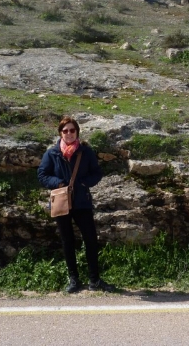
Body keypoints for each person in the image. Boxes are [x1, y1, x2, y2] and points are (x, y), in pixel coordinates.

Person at [37, 116, 115, 293]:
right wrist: (57, 183)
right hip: (62, 202)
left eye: (72, 130)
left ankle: (94, 280)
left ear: (77, 132)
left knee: (91, 240)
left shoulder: (86, 152)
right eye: (65, 131)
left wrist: (82, 183)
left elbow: (97, 173)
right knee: (67, 241)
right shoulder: (52, 153)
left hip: (82, 202)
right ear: (60, 133)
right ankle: (74, 280)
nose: (69, 133)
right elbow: (42, 175)